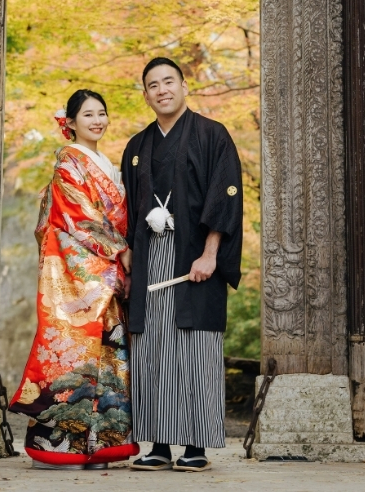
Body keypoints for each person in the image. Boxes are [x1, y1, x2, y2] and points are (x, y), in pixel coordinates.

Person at [121, 57, 244, 472]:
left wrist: (211, 253)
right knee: (152, 347)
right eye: (152, 85)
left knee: (194, 348)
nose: (161, 90)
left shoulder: (213, 135)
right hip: (151, 256)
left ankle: (195, 445)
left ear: (184, 86)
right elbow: (129, 212)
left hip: (193, 256)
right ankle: (156, 443)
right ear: (145, 95)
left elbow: (224, 196)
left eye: (168, 81)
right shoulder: (137, 146)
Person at [8, 89, 137, 469]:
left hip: (106, 275)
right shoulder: (68, 161)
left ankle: (103, 445)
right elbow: (76, 217)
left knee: (109, 359)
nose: (97, 121)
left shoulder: (106, 163)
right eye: (88, 115)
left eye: (102, 113)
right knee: (74, 360)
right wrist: (119, 250)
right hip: (83, 271)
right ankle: (58, 447)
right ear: (72, 122)